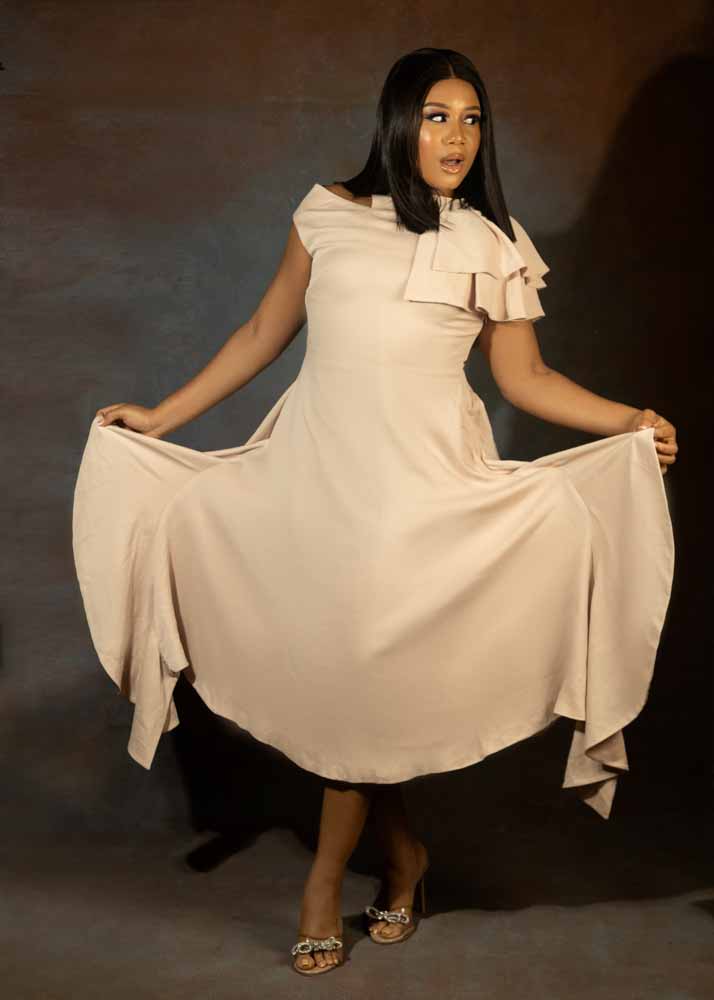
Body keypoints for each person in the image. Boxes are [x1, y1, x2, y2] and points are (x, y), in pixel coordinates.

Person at [73, 48, 678, 977]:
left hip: (419, 494)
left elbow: (527, 378)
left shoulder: (493, 240)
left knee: (362, 678)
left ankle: (323, 886)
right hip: (315, 479)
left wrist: (629, 419)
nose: (457, 138)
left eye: (472, 120)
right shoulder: (327, 212)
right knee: (354, 690)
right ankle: (403, 857)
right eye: (437, 117)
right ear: (399, 121)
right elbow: (263, 331)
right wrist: (163, 417)